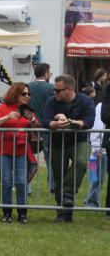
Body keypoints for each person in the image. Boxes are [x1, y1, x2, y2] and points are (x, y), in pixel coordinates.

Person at [41, 75, 95, 223]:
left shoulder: (86, 101)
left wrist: (70, 122)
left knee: (82, 162)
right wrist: (55, 124)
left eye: (58, 90)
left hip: (80, 140)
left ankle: (68, 193)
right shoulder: (52, 101)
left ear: (69, 89)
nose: (55, 93)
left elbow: (89, 122)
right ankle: (63, 214)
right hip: (58, 143)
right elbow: (45, 120)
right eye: (54, 90)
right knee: (59, 177)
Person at [0, 83, 40, 223]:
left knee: (21, 182)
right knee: (6, 182)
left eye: (29, 94)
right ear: (15, 93)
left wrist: (32, 120)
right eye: (24, 93)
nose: (27, 96)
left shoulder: (27, 110)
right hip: (3, 150)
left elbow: (36, 130)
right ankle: (7, 213)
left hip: (21, 151)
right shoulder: (3, 108)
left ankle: (22, 214)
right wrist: (7, 117)